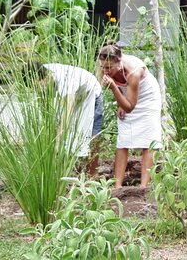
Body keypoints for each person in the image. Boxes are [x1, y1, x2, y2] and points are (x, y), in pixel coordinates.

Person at [98, 44, 162, 188]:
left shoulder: (134, 72)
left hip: (147, 97)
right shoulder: (105, 65)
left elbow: (130, 107)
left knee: (149, 139)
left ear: (119, 61)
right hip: (128, 94)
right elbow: (123, 99)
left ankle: (144, 186)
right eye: (103, 67)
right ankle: (117, 186)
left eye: (109, 68)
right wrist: (120, 102)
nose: (105, 71)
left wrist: (115, 89)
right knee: (123, 138)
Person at [38, 63, 103, 163]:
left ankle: (92, 175)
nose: (41, 90)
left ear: (46, 77)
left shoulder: (66, 81)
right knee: (61, 131)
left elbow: (67, 116)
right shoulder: (40, 70)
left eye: (41, 86)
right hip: (74, 95)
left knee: (92, 135)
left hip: (91, 91)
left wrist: (57, 144)